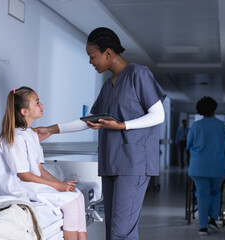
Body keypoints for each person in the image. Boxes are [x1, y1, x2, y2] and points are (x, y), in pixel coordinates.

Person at [36, 27, 166, 240]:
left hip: (133, 164)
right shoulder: (108, 86)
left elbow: (158, 115)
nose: (90, 62)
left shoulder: (138, 74)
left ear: (107, 52)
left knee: (120, 231)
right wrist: (51, 130)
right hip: (111, 162)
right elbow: (89, 121)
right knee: (113, 230)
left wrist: (121, 126)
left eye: (91, 56)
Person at [0, 86, 87, 240]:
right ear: (24, 111)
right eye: (37, 102)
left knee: (77, 195)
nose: (41, 105)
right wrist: (57, 186)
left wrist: (63, 185)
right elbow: (23, 175)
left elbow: (39, 168)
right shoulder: (15, 137)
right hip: (19, 185)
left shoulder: (30, 134)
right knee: (70, 204)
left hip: (31, 181)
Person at [186, 96, 225, 236]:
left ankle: (203, 227)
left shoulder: (196, 126)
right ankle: (213, 219)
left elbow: (188, 145)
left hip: (199, 166)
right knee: (216, 192)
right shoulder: (221, 126)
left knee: (202, 194)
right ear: (214, 109)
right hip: (218, 166)